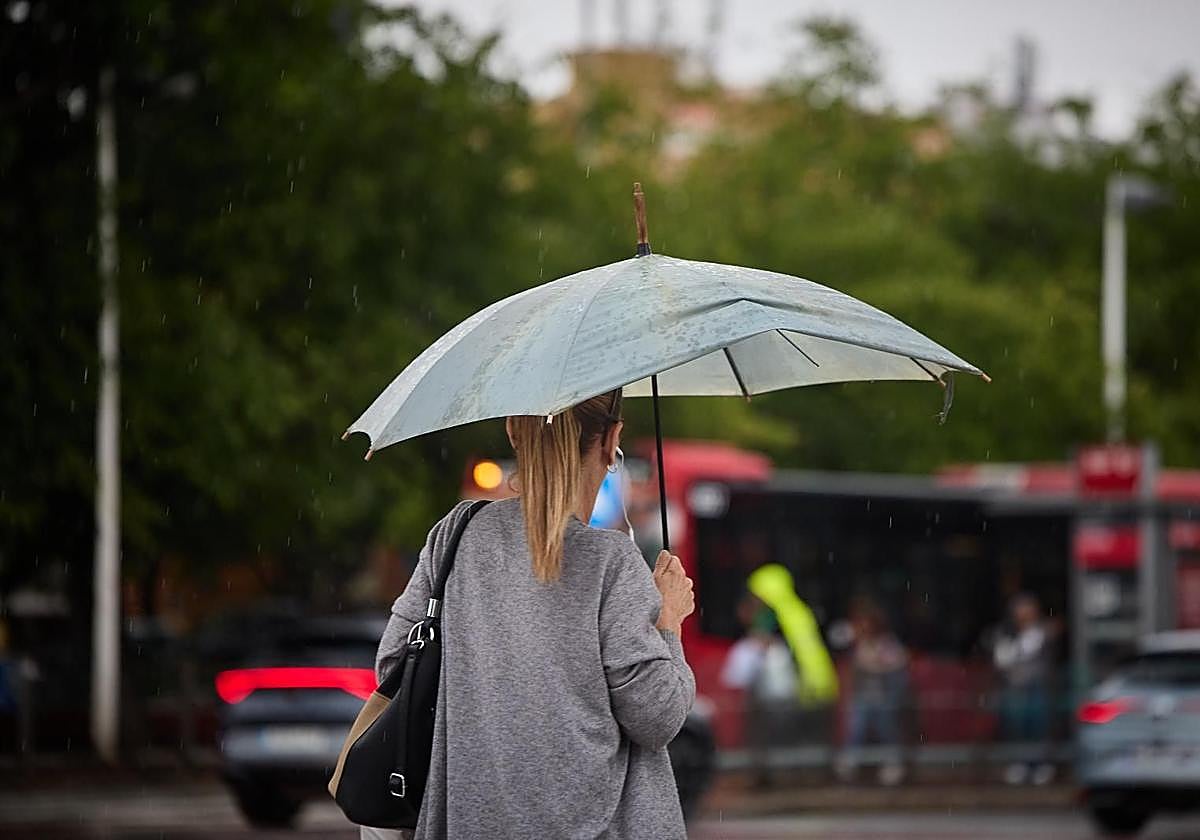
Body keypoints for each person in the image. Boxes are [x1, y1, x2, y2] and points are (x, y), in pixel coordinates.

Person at [362, 390, 696, 840]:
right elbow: (657, 717)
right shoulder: (610, 560)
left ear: (512, 432)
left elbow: (394, 668)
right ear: (611, 439)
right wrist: (668, 622)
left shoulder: (454, 537)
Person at [720, 565, 838, 787]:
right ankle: (803, 780)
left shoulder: (785, 616)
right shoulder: (794, 611)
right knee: (804, 739)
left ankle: (796, 781)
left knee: (795, 737)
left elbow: (792, 653)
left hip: (804, 687)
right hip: (813, 684)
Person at [835, 598, 908, 786]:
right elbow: (853, 662)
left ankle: (893, 765)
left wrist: (877, 665)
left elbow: (898, 664)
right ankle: (849, 766)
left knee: (887, 728)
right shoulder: (856, 643)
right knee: (856, 728)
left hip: (885, 697)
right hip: (862, 698)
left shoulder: (888, 643)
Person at [992, 593, 1055, 786]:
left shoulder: (1042, 631)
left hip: (1037, 686)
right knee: (1017, 725)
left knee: (1037, 725)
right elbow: (1002, 660)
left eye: (1028, 610)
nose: (1024, 615)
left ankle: (1040, 764)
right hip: (1016, 686)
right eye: (1020, 611)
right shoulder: (1007, 633)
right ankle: (1020, 763)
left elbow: (1032, 653)